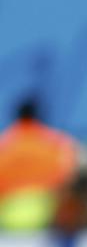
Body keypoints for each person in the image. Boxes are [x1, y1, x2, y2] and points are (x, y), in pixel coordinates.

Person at [0, 98, 78, 231]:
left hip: (7, 214)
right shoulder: (58, 143)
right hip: (49, 213)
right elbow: (71, 179)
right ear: (39, 117)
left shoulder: (5, 144)